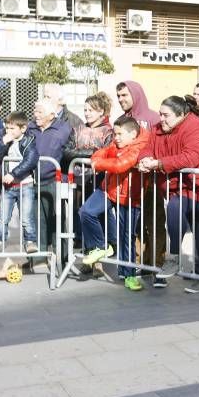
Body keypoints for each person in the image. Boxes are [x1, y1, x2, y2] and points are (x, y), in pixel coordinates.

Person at [138, 96, 199, 294]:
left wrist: (158, 163)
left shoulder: (196, 128)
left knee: (176, 208)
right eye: (160, 114)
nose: (161, 119)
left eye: (166, 115)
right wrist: (144, 159)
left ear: (182, 115)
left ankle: (174, 257)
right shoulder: (158, 128)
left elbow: (191, 157)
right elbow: (147, 147)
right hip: (181, 184)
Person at [80, 116, 150, 291]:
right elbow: (102, 152)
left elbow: (121, 165)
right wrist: (98, 159)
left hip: (129, 196)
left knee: (127, 237)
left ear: (133, 134)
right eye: (115, 134)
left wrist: (99, 163)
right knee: (86, 212)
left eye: (119, 134)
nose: (116, 137)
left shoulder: (140, 146)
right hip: (108, 190)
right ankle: (100, 246)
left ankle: (129, 275)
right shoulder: (117, 144)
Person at [116, 81, 165, 275]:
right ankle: (136, 263)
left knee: (154, 224)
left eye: (124, 95)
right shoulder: (120, 119)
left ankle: (155, 264)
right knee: (133, 227)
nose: (121, 99)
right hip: (129, 185)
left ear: (135, 94)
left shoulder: (153, 118)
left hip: (152, 183)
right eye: (118, 96)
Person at [63, 92, 114, 250]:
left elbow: (105, 152)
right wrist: (90, 154)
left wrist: (90, 154)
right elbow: (66, 151)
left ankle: (103, 249)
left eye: (91, 110)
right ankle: (88, 251)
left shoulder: (108, 131)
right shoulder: (78, 129)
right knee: (81, 216)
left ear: (101, 112)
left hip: (99, 179)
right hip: (79, 180)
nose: (87, 113)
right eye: (85, 110)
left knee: (98, 216)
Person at [26, 100, 72, 258]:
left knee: (57, 219)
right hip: (34, 180)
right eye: (35, 111)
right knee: (38, 220)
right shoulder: (30, 128)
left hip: (55, 180)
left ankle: (62, 257)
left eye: (40, 112)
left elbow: (69, 151)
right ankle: (39, 257)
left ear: (51, 115)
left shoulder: (63, 128)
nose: (35, 115)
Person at [0, 111, 39, 253]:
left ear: (23, 128)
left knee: (27, 217)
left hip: (25, 185)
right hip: (7, 187)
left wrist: (13, 174)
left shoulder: (29, 141)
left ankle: (30, 241)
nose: (8, 131)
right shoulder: (3, 140)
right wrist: (3, 142)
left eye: (12, 128)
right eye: (7, 128)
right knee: (3, 217)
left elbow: (31, 160)